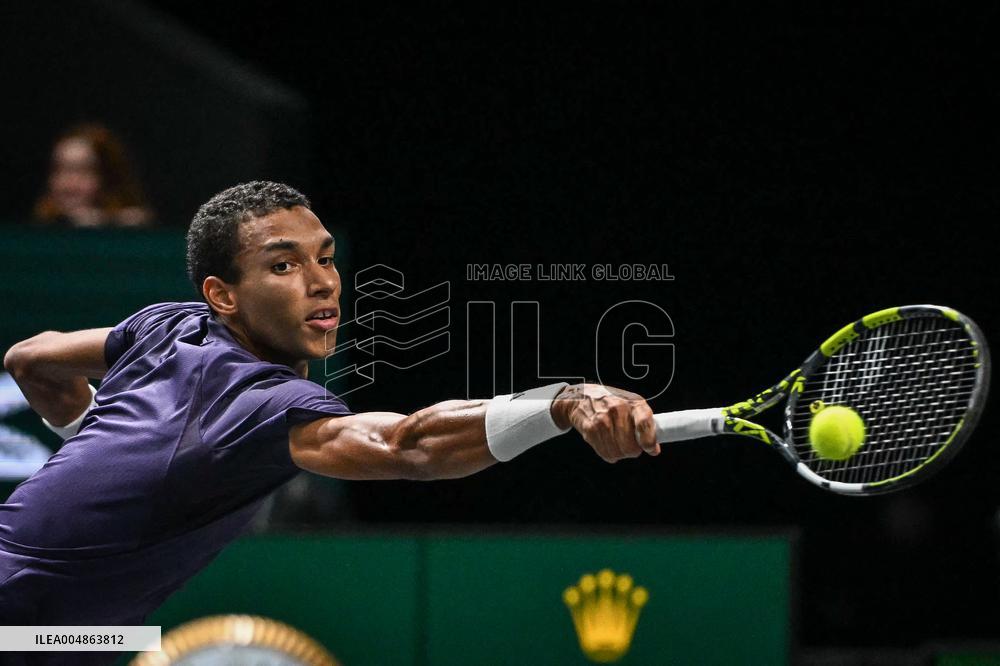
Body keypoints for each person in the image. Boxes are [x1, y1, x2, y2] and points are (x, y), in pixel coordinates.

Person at [0, 181, 659, 663]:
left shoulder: (167, 325)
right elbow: (412, 447)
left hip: (56, 636)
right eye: (283, 265)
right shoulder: (263, 406)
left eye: (325, 256)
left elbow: (30, 360)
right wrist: (562, 402)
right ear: (223, 294)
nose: (322, 283)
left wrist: (91, 448)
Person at [33, 123, 152, 228]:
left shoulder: (131, 229)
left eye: (84, 171)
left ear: (109, 177)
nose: (69, 182)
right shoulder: (37, 232)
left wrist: (110, 223)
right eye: (59, 169)